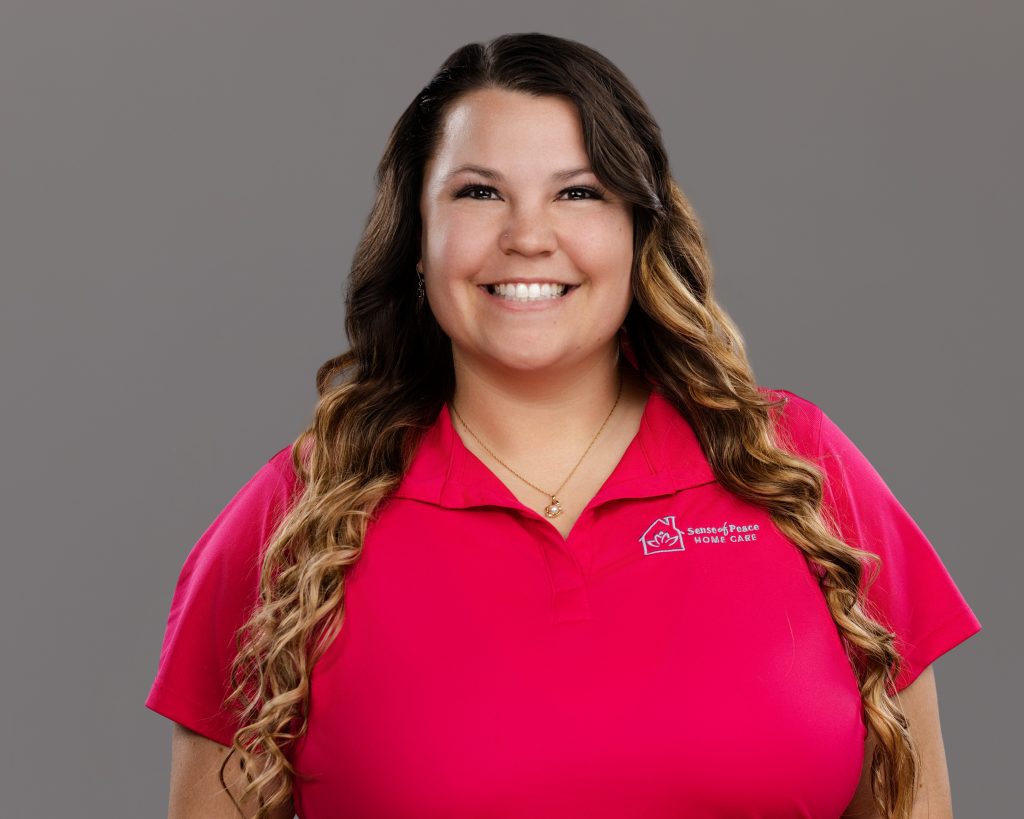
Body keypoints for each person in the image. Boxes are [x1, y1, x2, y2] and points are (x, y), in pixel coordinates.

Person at [146, 32, 981, 819]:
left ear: (637, 230)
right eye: (479, 193)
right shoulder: (296, 520)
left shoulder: (797, 469)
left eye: (579, 192)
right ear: (416, 239)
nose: (528, 237)